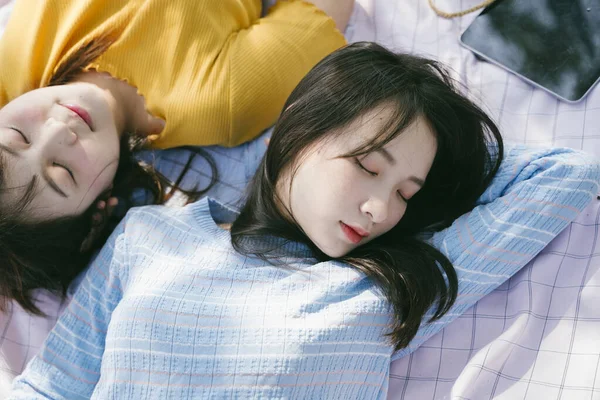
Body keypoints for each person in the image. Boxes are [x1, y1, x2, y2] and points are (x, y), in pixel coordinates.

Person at [9, 42, 600, 399]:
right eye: (368, 167)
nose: (382, 210)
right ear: (301, 131)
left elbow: (566, 175)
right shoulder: (149, 236)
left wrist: (435, 148)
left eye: (406, 193)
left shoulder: (385, 290)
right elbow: (53, 387)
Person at [0, 0, 351, 315]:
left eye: (17, 136)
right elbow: (320, 13)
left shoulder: (14, 56)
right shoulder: (220, 102)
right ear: (99, 210)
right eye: (62, 172)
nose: (59, 130)